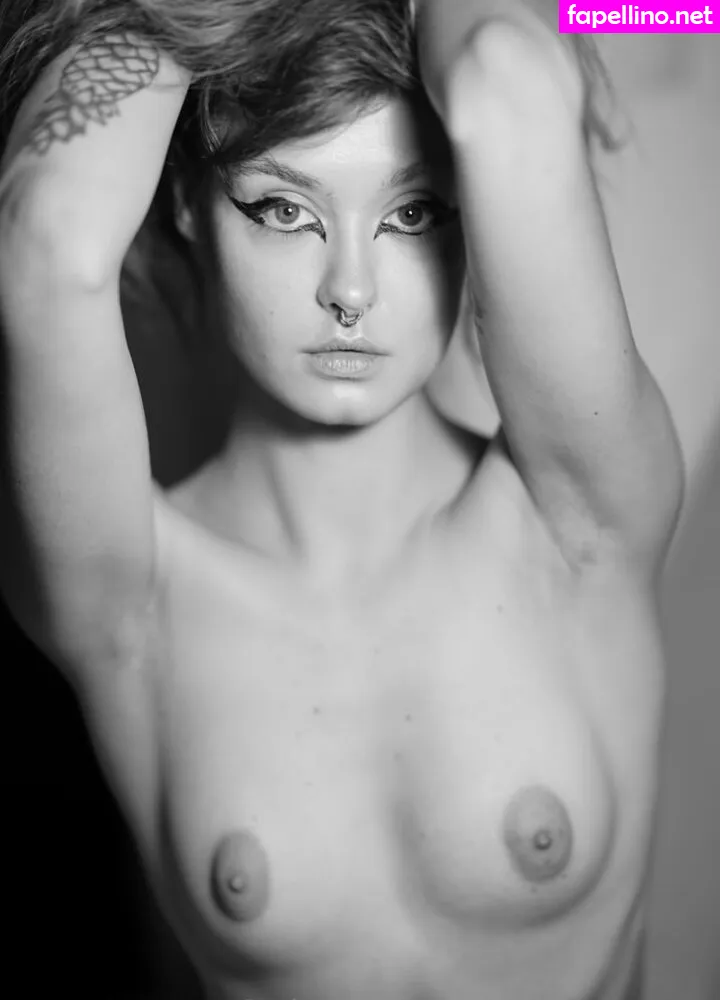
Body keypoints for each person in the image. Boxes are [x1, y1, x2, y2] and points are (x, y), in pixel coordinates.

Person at [0, 0, 687, 997]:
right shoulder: (128, 601)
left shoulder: (578, 517)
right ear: (189, 204)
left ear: (473, 219)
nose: (351, 290)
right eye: (285, 209)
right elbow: (45, 237)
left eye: (413, 213)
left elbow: (503, 76)